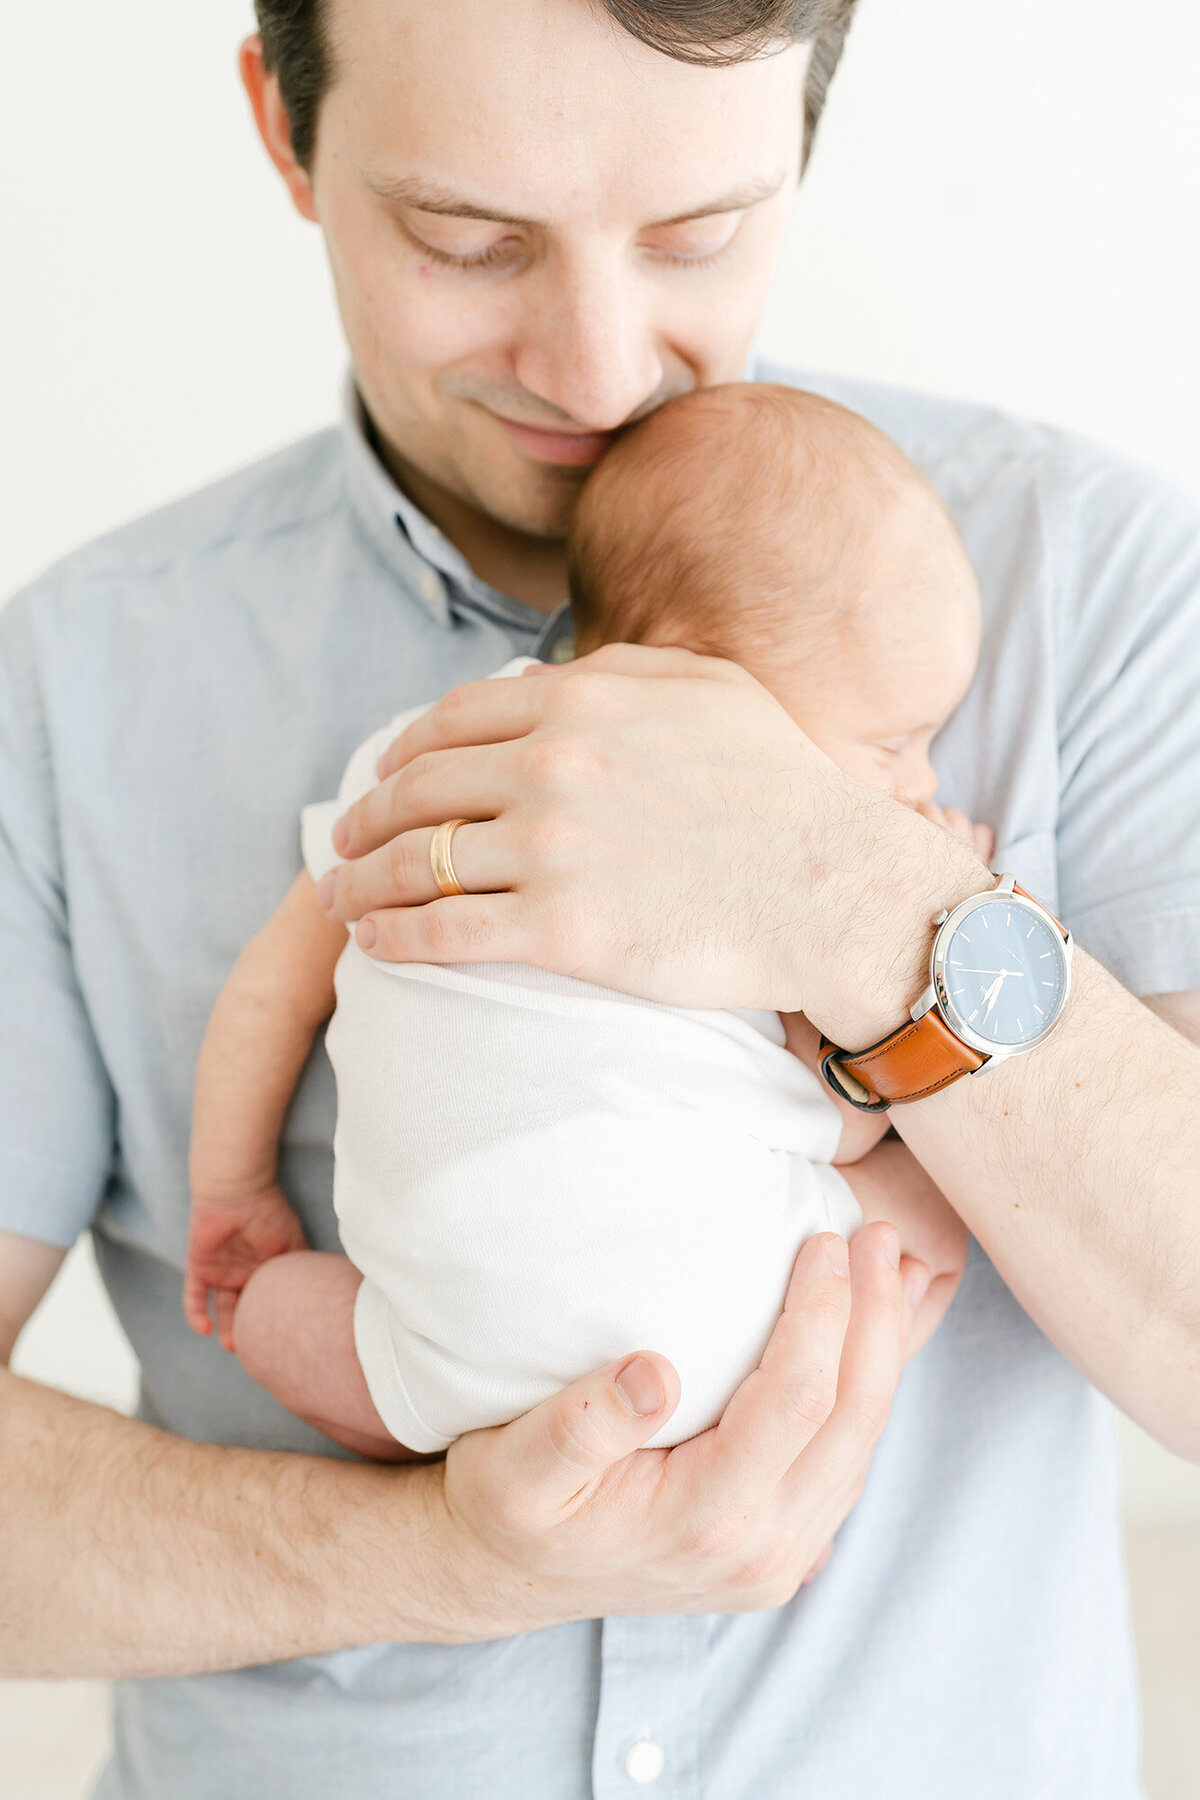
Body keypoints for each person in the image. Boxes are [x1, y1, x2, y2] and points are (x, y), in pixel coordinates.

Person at [1, 2, 1198, 1796]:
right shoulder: (73, 690)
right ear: (283, 130)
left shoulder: (1081, 582)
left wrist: (857, 894)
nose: (598, 361)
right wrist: (442, 1562)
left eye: (698, 233)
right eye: (465, 238)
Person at [182, 385, 982, 1462]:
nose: (920, 783)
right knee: (927, 1195)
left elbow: (271, 994)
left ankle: (323, 1348)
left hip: (443, 1334)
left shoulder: (422, 759)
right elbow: (840, 1120)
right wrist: (926, 910)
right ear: (712, 689)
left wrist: (232, 1194)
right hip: (719, 1342)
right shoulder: (765, 865)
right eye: (892, 747)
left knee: (279, 1315)